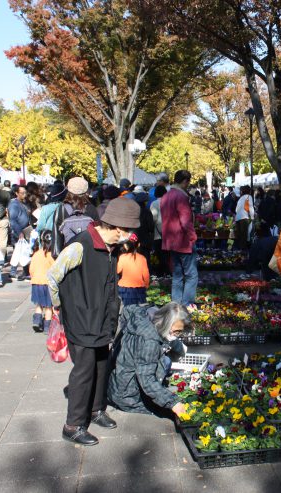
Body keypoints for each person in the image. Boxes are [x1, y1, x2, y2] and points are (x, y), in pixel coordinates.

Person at [47, 198, 140, 446]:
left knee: (102, 365)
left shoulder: (112, 247)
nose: (131, 235)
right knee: (84, 371)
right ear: (117, 228)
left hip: (102, 317)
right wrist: (59, 306)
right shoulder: (80, 246)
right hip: (82, 318)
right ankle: (73, 425)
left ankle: (97, 409)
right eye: (129, 230)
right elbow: (53, 277)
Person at [107, 303, 190, 417]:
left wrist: (180, 348)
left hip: (117, 380)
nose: (177, 335)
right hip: (128, 395)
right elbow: (146, 379)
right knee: (165, 361)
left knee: (165, 358)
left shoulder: (147, 315)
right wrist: (173, 402)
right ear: (166, 324)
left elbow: (128, 309)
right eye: (177, 331)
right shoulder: (149, 342)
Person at [160, 170, 198, 308]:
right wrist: (193, 236)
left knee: (177, 275)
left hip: (171, 241)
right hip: (183, 241)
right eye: (188, 182)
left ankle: (175, 305)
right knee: (191, 275)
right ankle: (187, 305)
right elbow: (186, 221)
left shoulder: (166, 195)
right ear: (185, 181)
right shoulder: (181, 196)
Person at [29, 230, 56, 332]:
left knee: (39, 304)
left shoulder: (37, 254)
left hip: (36, 282)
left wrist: (33, 277)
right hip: (48, 283)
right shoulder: (53, 255)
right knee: (49, 307)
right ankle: (47, 327)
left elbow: (31, 269)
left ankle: (36, 321)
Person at [117, 235, 150, 306]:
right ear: (138, 245)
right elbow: (146, 275)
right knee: (139, 309)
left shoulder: (122, 257)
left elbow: (118, 270)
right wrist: (146, 285)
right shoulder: (142, 258)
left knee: (127, 308)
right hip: (139, 288)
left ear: (126, 246)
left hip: (125, 288)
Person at [9, 185, 31, 280]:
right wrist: (19, 232)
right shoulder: (14, 204)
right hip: (19, 231)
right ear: (17, 193)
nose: (24, 195)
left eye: (25, 193)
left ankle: (25, 272)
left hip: (26, 229)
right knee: (18, 251)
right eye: (22, 193)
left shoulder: (24, 203)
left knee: (24, 251)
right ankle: (14, 272)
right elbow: (12, 220)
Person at [235, 185, 255, 250]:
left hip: (238, 218)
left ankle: (238, 252)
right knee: (244, 236)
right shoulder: (249, 197)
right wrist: (252, 217)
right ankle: (243, 253)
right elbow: (251, 207)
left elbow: (236, 210)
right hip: (244, 218)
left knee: (240, 236)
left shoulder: (240, 198)